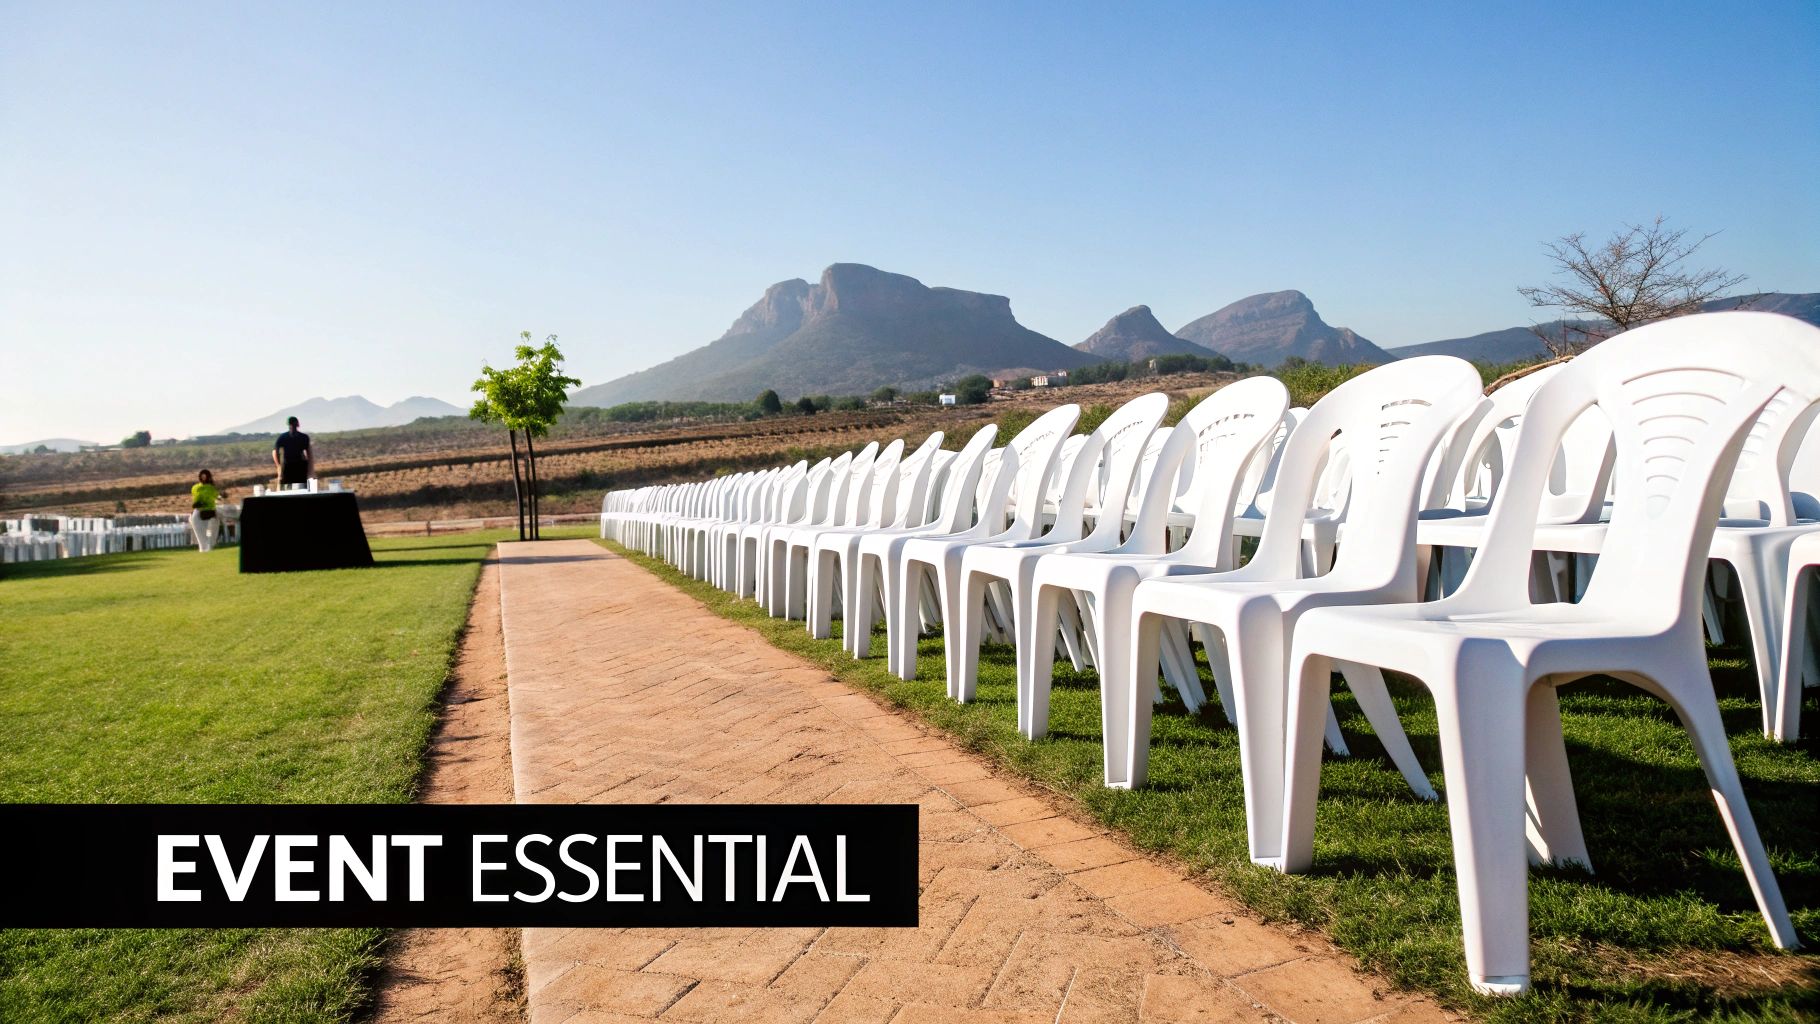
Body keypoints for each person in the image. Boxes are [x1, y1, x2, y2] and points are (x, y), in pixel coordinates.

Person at [189, 469, 227, 552]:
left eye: (205, 476)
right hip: (198, 513)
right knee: (201, 536)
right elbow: (195, 499)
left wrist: (222, 495)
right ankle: (203, 549)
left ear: (208, 477)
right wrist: (198, 504)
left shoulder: (212, 488)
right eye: (202, 476)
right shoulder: (195, 487)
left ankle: (209, 548)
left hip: (210, 512)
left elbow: (218, 497)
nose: (203, 478)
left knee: (212, 533)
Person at [272, 416, 313, 487]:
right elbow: (275, 452)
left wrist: (310, 470)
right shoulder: (283, 437)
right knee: (289, 488)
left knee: (300, 488)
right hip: (289, 467)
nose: (293, 427)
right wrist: (279, 466)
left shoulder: (303, 437)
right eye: (292, 425)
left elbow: (309, 453)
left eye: (293, 425)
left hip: (299, 467)